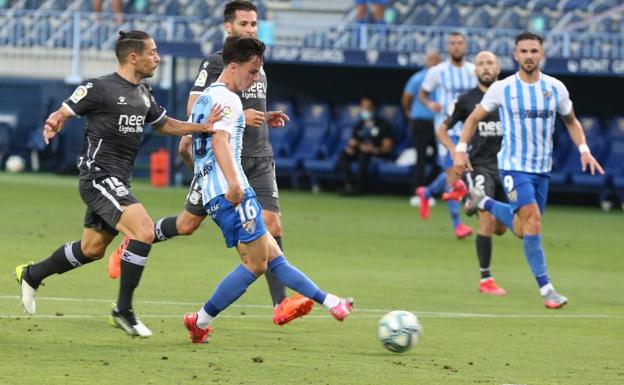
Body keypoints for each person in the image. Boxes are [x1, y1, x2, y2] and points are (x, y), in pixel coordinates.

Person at [106, 0, 310, 326]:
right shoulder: (216, 63)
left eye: (254, 24)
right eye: (244, 24)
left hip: (257, 158)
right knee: (187, 225)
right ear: (228, 27)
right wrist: (240, 117)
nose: (250, 30)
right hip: (221, 164)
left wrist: (264, 117)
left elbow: (248, 109)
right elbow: (196, 106)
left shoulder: (258, 65)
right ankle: (137, 239)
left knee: (273, 225)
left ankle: (280, 303)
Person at [13, 30, 221, 337]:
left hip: (118, 179)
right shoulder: (100, 87)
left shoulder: (143, 92)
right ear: (133, 57)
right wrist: (55, 121)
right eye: (152, 52)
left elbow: (165, 124)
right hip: (98, 176)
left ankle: (32, 273)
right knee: (144, 230)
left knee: (92, 249)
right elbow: (67, 109)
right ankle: (123, 310)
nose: (157, 58)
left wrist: (201, 127)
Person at [183, 36, 353, 344]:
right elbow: (220, 141)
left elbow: (186, 146)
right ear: (232, 67)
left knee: (274, 257)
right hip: (231, 192)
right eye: (250, 72)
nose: (253, 80)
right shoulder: (230, 101)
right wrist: (233, 185)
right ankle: (200, 319)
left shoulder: (206, 98)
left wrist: (204, 177)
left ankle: (331, 301)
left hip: (216, 192)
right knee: (256, 263)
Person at [454, 32, 605, 308]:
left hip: (541, 169)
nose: (528, 56)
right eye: (523, 51)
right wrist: (461, 148)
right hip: (513, 166)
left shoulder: (556, 88)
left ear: (542, 54)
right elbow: (474, 118)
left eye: (533, 51)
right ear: (515, 55)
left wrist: (584, 149)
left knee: (523, 229)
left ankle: (483, 200)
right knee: (533, 220)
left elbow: (571, 121)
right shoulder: (503, 88)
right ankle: (547, 289)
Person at [436, 51, 507, 296]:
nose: (485, 67)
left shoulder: (511, 96)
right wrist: (456, 151)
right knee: (486, 219)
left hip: (507, 168)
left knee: (502, 227)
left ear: (498, 68)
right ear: (474, 70)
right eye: (480, 64)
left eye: (490, 63)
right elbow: (442, 130)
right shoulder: (466, 100)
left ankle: (470, 202)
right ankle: (486, 279)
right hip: (478, 167)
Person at [417, 32, 477, 239]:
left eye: (460, 43)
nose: (456, 47)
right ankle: (457, 224)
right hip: (446, 130)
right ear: (448, 47)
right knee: (453, 173)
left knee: (458, 172)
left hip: (469, 131)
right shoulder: (437, 72)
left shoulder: (472, 71)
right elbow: (422, 93)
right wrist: (429, 104)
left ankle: (425, 193)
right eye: (452, 43)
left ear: (465, 46)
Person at [402, 51, 441, 201]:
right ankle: (418, 193)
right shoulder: (418, 78)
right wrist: (409, 112)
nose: (433, 62)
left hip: (439, 123)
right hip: (421, 122)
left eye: (436, 59)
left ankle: (430, 189)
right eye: (431, 59)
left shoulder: (443, 78)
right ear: (426, 61)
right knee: (421, 157)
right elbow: (406, 98)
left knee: (442, 158)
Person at [338, 97, 393, 195]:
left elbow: (387, 148)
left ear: (373, 109)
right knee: (344, 154)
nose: (364, 110)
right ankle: (348, 185)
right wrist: (350, 147)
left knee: (363, 155)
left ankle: (359, 188)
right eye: (363, 107)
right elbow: (353, 141)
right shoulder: (359, 124)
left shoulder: (383, 124)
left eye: (367, 107)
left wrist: (373, 149)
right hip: (359, 151)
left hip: (375, 153)